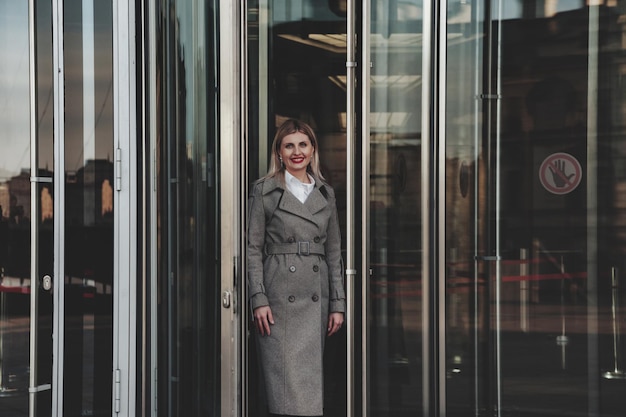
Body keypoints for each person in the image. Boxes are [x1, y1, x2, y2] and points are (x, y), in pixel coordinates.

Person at [247, 118, 346, 417]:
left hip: (315, 298)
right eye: (289, 146)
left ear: (313, 149)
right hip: (278, 299)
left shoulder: (326, 194)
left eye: (303, 144)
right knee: (285, 393)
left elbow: (333, 252)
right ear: (279, 152)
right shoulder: (264, 191)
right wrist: (258, 299)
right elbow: (253, 249)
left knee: (308, 390)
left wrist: (338, 303)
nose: (296, 152)